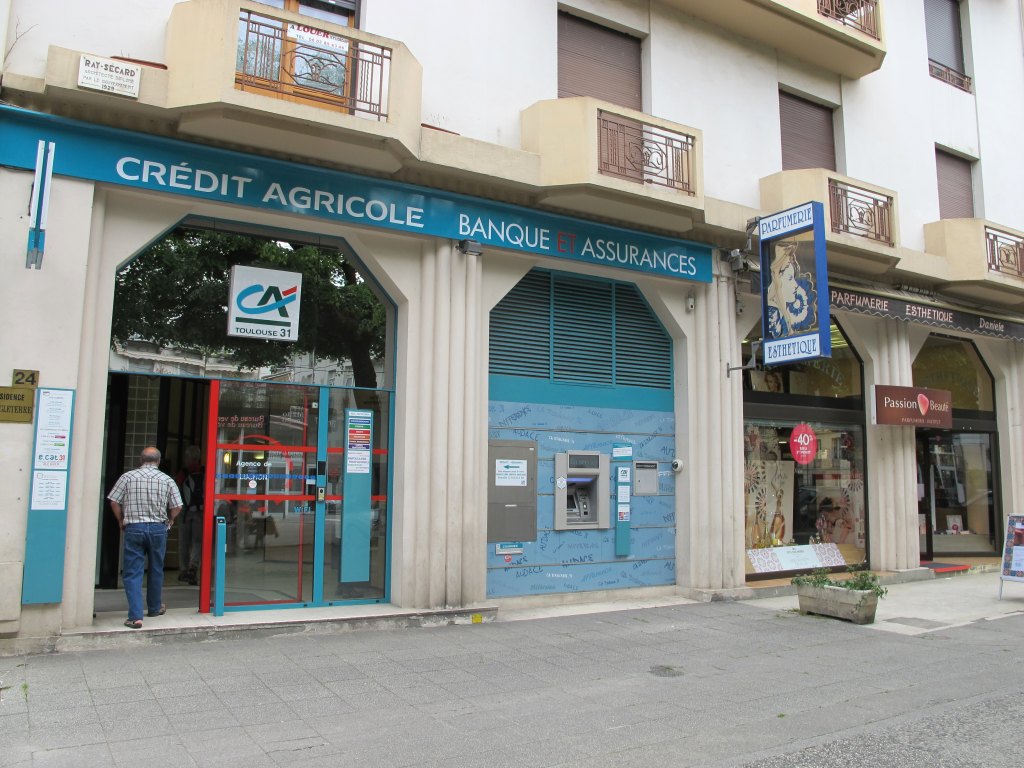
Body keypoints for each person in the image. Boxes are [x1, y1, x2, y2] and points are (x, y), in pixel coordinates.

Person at [108, 447, 182, 629]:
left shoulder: (127, 477)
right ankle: (155, 607)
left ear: (140, 460)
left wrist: (121, 520)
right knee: (156, 569)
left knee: (133, 572)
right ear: (158, 460)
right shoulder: (167, 480)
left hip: (134, 527)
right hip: (158, 528)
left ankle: (135, 616)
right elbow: (177, 505)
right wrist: (170, 519)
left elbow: (114, 501)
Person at [175, 446, 204, 585]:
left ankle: (184, 570)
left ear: (188, 458)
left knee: (184, 543)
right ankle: (194, 566)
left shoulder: (183, 472)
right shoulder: (204, 470)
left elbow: (175, 490)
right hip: (201, 511)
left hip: (185, 513)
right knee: (197, 542)